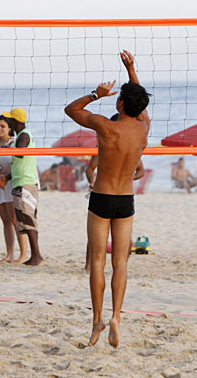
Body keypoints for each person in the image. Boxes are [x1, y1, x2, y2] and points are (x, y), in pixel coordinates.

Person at [64, 50, 151, 348]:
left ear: (120, 103)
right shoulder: (143, 130)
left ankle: (97, 320)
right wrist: (131, 70)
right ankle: (116, 316)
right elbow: (141, 106)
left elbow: (70, 110)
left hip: (101, 197)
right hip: (126, 200)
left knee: (98, 262)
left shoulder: (106, 126)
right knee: (121, 264)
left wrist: (94, 94)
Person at [83, 113, 145, 272]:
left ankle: (93, 266)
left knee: (117, 247)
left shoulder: (132, 144)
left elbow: (140, 171)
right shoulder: (104, 145)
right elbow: (90, 169)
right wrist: (92, 181)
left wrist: (126, 177)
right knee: (96, 241)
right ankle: (87, 265)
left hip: (117, 193)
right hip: (107, 191)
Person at [0, 108, 43, 266]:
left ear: (16, 122)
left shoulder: (23, 135)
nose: (8, 122)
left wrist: (7, 149)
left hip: (25, 183)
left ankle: (36, 256)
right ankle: (35, 255)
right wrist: (7, 177)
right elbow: (20, 163)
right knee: (27, 219)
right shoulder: (21, 135)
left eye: (9, 120)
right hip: (23, 181)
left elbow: (21, 153)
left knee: (27, 219)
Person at [0, 115, 28, 263]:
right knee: (5, 221)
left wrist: (6, 169)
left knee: (14, 220)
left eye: (2, 126)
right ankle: (9, 253)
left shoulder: (15, 142)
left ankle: (23, 254)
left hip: (10, 183)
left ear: (9, 128)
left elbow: (18, 161)